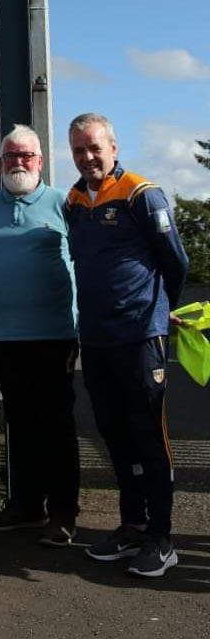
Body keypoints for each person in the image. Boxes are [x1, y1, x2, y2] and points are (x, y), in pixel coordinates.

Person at [66, 113, 189, 577]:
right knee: (114, 435)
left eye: (95, 147)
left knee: (149, 436)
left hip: (140, 338)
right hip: (96, 340)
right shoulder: (74, 200)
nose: (87, 157)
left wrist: (156, 314)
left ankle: (162, 537)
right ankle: (132, 525)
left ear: (113, 147)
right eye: (79, 150)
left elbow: (175, 262)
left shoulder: (142, 193)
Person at [0, 125, 80, 546]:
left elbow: (84, 261)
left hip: (55, 335)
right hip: (5, 335)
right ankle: (27, 506)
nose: (18, 162)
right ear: (0, 162)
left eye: (26, 155)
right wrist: (4, 303)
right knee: (20, 423)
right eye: (10, 155)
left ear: (40, 160)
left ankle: (64, 512)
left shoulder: (63, 203)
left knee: (57, 424)